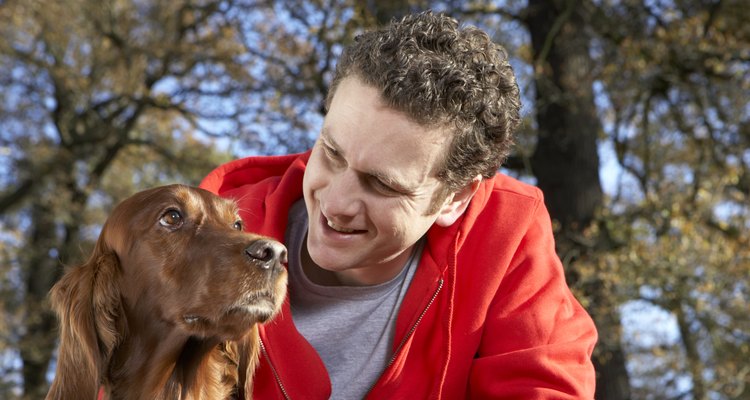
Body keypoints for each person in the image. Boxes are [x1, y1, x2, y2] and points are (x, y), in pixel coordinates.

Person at [200, 10, 597, 399]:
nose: (335, 203)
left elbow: (546, 386)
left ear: (455, 198)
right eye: (331, 152)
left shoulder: (505, 233)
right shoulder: (208, 235)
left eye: (382, 184)